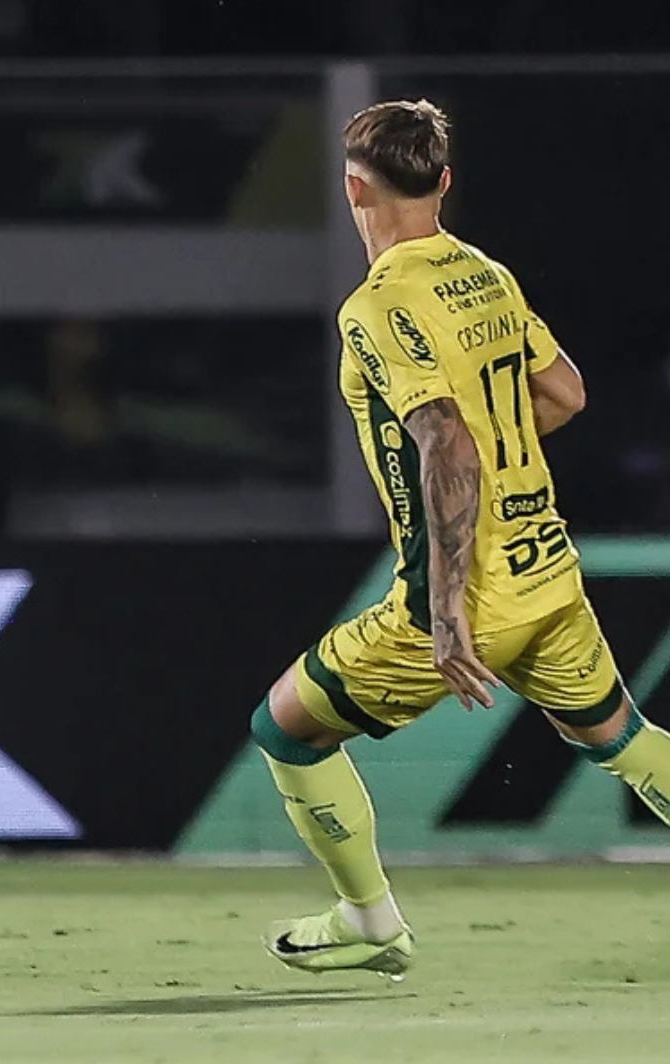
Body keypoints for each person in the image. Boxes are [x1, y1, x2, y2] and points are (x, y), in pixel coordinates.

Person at [252, 100, 670, 977]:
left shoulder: (375, 307)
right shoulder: (485, 274)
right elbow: (565, 395)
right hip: (546, 570)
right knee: (625, 743)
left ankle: (370, 919)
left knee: (286, 727)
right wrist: (501, 465)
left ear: (352, 186)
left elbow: (442, 435)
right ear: (442, 182)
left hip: (465, 594)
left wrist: (444, 611)